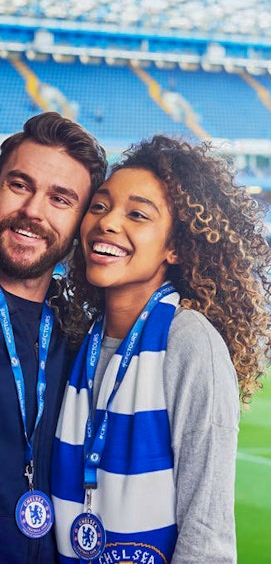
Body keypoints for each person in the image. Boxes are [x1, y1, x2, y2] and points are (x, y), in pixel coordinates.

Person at [52, 135, 271, 563]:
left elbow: (207, 535)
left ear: (176, 246)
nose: (108, 223)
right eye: (99, 206)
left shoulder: (189, 343)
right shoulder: (79, 335)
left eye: (137, 214)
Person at [0, 112, 107, 564]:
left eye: (61, 199)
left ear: (82, 221)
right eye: (19, 185)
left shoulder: (81, 335)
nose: (33, 211)